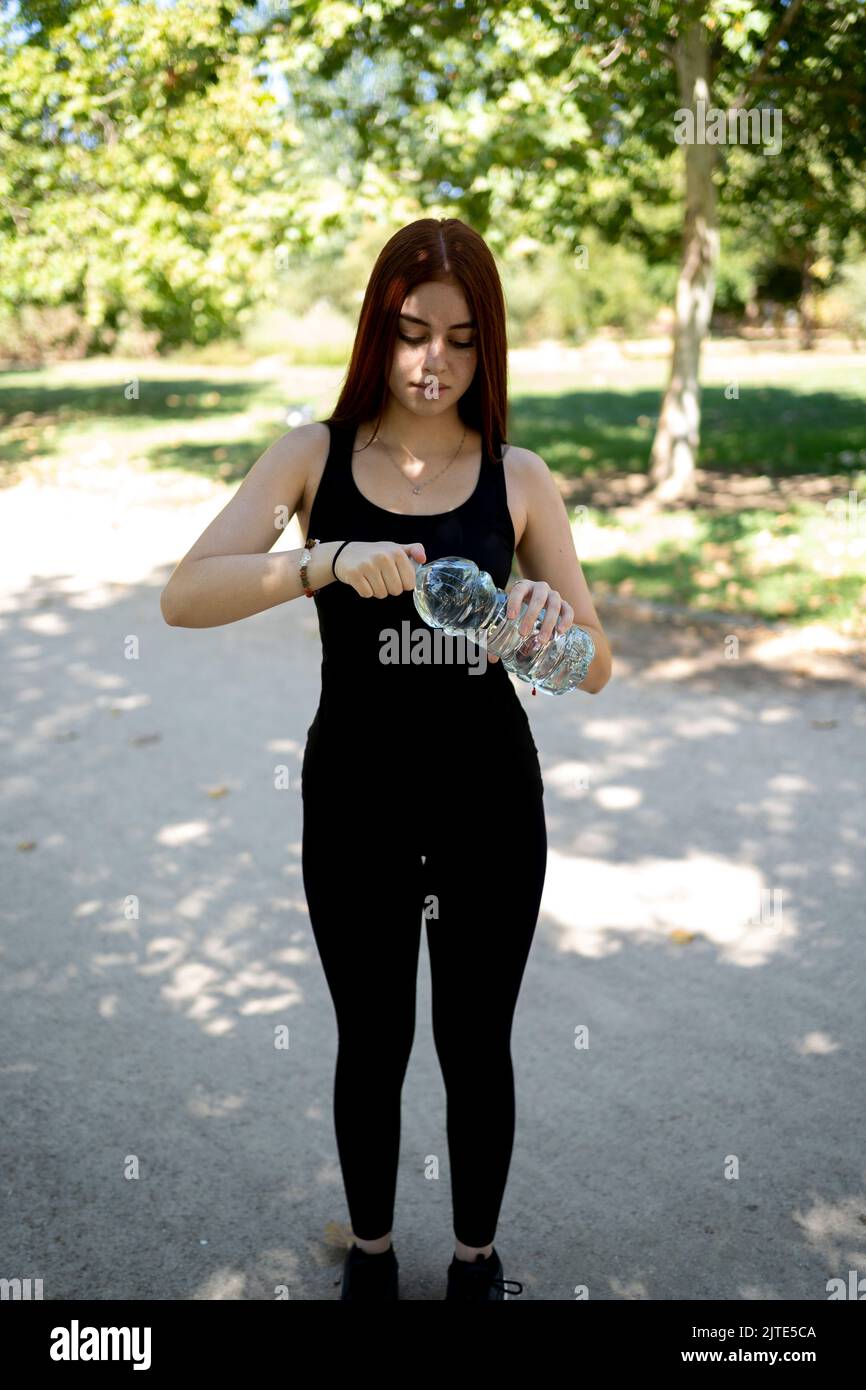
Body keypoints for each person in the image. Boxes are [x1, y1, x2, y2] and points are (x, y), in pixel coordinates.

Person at [160, 216, 612, 1301]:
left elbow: (591, 666)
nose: (432, 363)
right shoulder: (310, 458)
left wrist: (541, 624)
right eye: (412, 333)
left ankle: (473, 1261)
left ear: (487, 346)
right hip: (355, 800)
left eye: (460, 340)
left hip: (490, 802)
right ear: (377, 328)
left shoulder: (520, 477)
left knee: (473, 1042)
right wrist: (321, 559)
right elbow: (185, 595)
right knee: (369, 1037)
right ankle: (369, 1258)